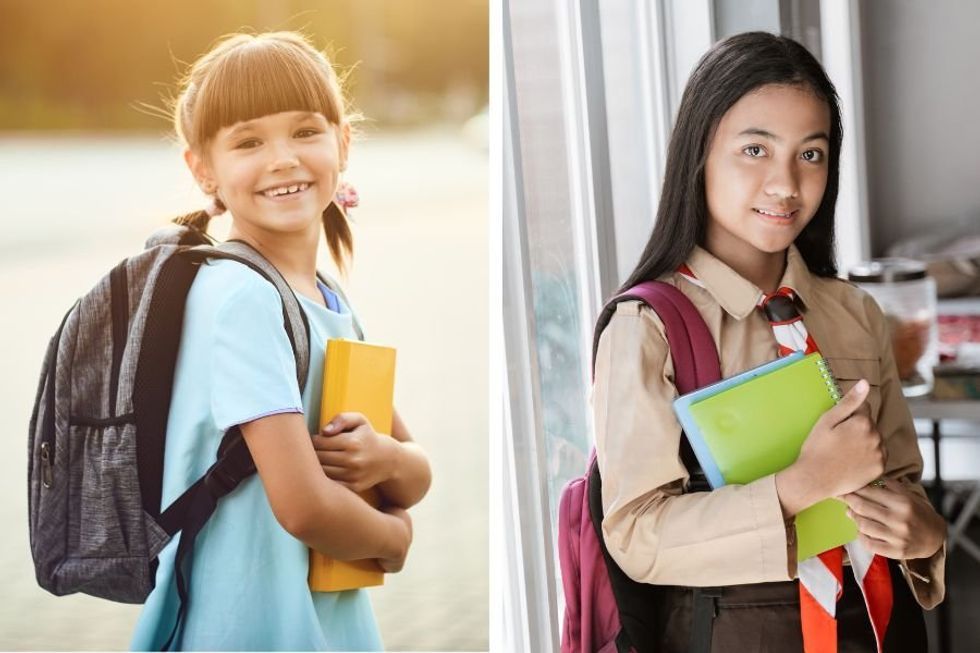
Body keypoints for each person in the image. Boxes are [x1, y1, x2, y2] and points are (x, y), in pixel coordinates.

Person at [593, 32, 945, 652]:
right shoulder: (646, 327)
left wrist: (923, 534)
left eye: (811, 155)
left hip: (879, 628)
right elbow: (637, 535)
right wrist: (796, 488)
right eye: (755, 149)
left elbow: (903, 481)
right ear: (699, 153)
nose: (785, 184)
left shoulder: (855, 312)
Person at [129, 31, 432, 651]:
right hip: (251, 620)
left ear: (343, 142)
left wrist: (386, 460)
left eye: (305, 132)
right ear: (202, 169)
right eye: (248, 141)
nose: (282, 159)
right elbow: (305, 506)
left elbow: (413, 470)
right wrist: (394, 539)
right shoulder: (240, 298)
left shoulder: (327, 298)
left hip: (319, 617)